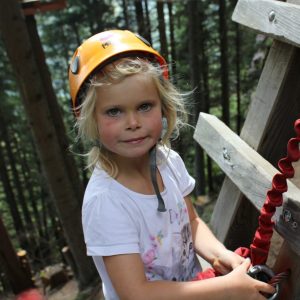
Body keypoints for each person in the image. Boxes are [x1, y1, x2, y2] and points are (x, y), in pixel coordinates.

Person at [68, 29, 275, 300]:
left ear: (163, 106)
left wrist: (219, 255)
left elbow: (191, 221)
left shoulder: (168, 162)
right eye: (114, 111)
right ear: (89, 119)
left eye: (144, 106)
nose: (133, 122)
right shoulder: (106, 202)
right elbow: (136, 293)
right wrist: (226, 288)